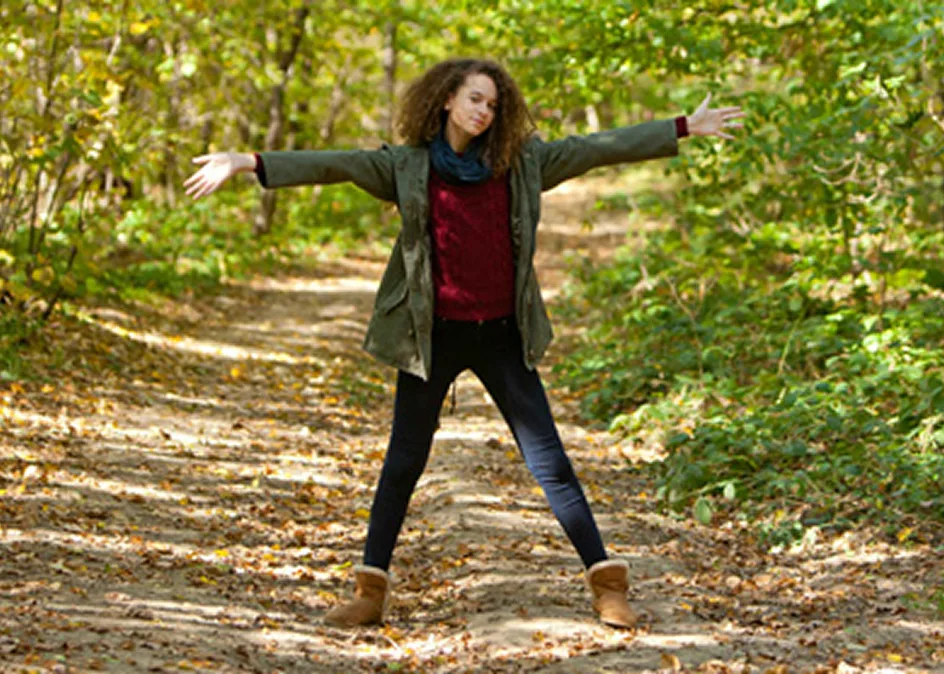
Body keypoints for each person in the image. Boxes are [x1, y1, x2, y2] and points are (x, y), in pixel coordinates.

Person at [184, 57, 744, 629]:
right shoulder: (407, 166)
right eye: (475, 99)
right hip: (433, 340)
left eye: (494, 104)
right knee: (403, 462)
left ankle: (607, 584)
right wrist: (246, 162)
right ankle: (369, 592)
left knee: (550, 462)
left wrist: (680, 126)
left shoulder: (522, 163)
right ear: (446, 100)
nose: (484, 111)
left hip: (502, 336)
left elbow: (596, 147)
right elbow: (336, 163)